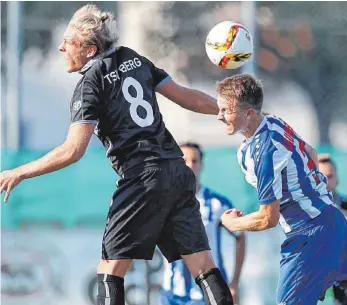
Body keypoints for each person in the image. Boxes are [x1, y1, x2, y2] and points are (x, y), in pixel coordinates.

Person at [0, 5, 235, 305]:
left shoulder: (90, 83)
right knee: (202, 265)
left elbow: (73, 150)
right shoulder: (133, 59)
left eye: (68, 41)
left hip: (141, 177)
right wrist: (229, 110)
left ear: (89, 49)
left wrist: (19, 171)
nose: (60, 47)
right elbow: (186, 96)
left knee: (110, 269)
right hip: (176, 171)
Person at [215, 74, 347, 305]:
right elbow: (312, 154)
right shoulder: (273, 122)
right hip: (333, 223)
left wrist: (233, 223)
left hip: (309, 236)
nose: (219, 116)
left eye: (226, 110)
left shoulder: (263, 152)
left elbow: (268, 218)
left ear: (248, 113)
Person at [160, 142, 246, 305]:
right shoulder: (162, 202)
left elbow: (240, 236)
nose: (190, 166)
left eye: (194, 161)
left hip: (206, 294)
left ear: (201, 164)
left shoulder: (217, 203)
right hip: (171, 294)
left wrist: (234, 282)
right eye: (184, 161)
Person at [318, 154, 347, 304]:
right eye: (321, 178)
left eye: (329, 176)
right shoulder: (305, 211)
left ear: (337, 179)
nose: (326, 183)